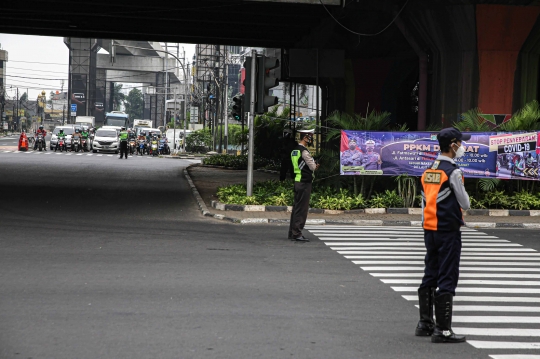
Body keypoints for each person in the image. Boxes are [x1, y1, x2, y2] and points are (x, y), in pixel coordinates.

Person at [415, 127, 470, 344]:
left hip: (429, 230)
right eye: (461, 143)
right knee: (447, 276)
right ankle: (443, 330)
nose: (462, 147)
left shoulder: (428, 170)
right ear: (453, 144)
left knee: (431, 272)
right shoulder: (453, 171)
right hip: (448, 231)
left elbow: (423, 202)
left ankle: (425, 324)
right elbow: (464, 202)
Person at [288, 129, 319, 242]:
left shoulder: (294, 151)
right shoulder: (304, 152)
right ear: (305, 138)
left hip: (297, 181)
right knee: (302, 210)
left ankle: (292, 232)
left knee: (296, 208)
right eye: (310, 137)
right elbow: (313, 167)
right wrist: (316, 164)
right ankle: (297, 233)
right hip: (304, 183)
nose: (311, 139)